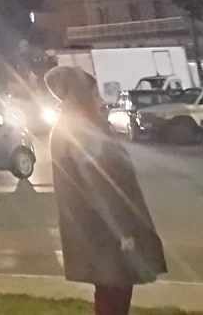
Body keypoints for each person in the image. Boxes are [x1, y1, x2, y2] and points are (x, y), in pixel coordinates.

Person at [44, 66, 167, 315]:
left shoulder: (74, 126)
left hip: (99, 232)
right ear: (81, 95)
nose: (98, 99)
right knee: (114, 293)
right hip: (107, 234)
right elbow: (100, 184)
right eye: (93, 92)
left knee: (111, 292)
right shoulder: (79, 129)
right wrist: (124, 232)